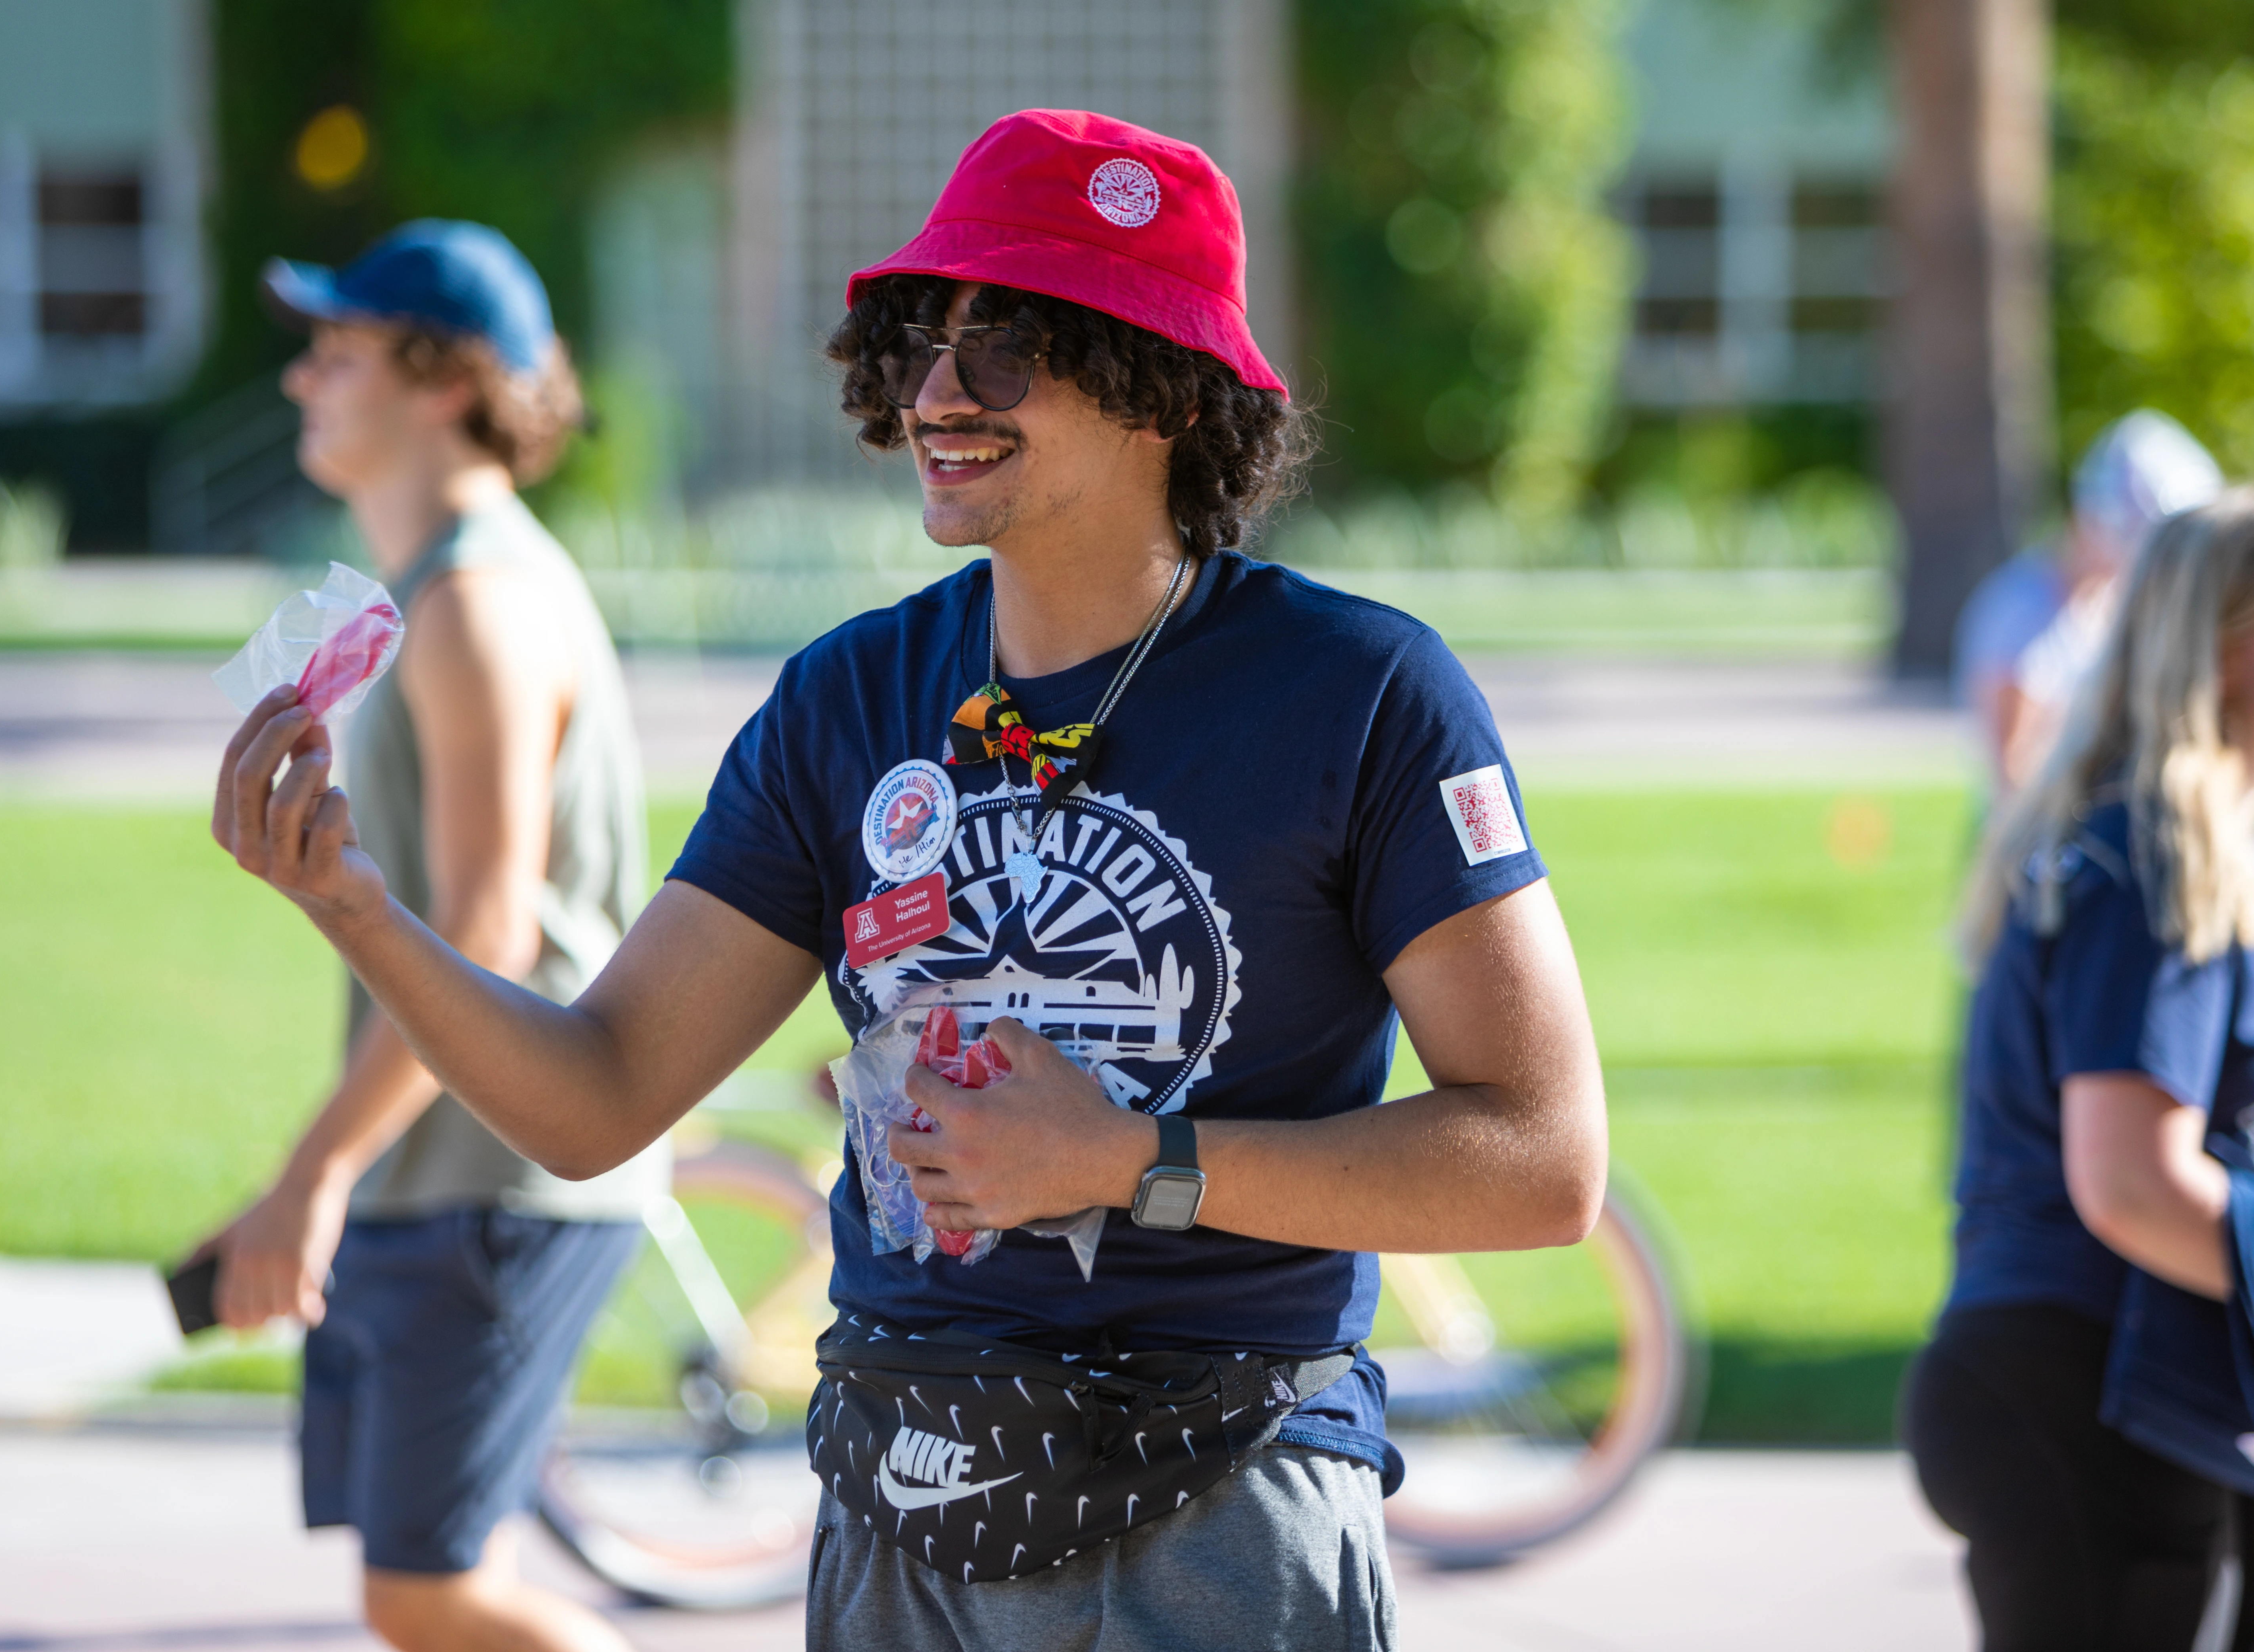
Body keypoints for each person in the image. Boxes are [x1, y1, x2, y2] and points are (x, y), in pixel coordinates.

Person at [214, 110, 1607, 1651]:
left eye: (1006, 345)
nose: (941, 392)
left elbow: (1542, 1158)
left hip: (1228, 1510)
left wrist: (1128, 1159)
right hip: (901, 1510)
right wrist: (359, 910)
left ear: (1158, 388)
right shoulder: (848, 703)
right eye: (921, 345)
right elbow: (596, 1094)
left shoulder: (1361, 693)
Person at [200, 220, 658, 1652]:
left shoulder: (477, 606)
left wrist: (311, 1175)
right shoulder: (435, 594)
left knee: (430, 1592)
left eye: (336, 352)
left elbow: (487, 931)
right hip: (446, 1174)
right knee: (421, 1591)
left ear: (445, 383)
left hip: (504, 1176)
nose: (301, 384)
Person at [1905, 491, 2254, 1648]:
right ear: (2231, 643)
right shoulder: (2165, 848)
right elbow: (2130, 1183)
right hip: (2079, 1392)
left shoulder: (2131, 833)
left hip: (2079, 1390)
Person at [1953, 410, 2221, 794]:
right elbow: (2012, 769)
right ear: (2091, 520)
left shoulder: (2107, 603)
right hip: (2037, 839)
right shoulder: (2022, 611)